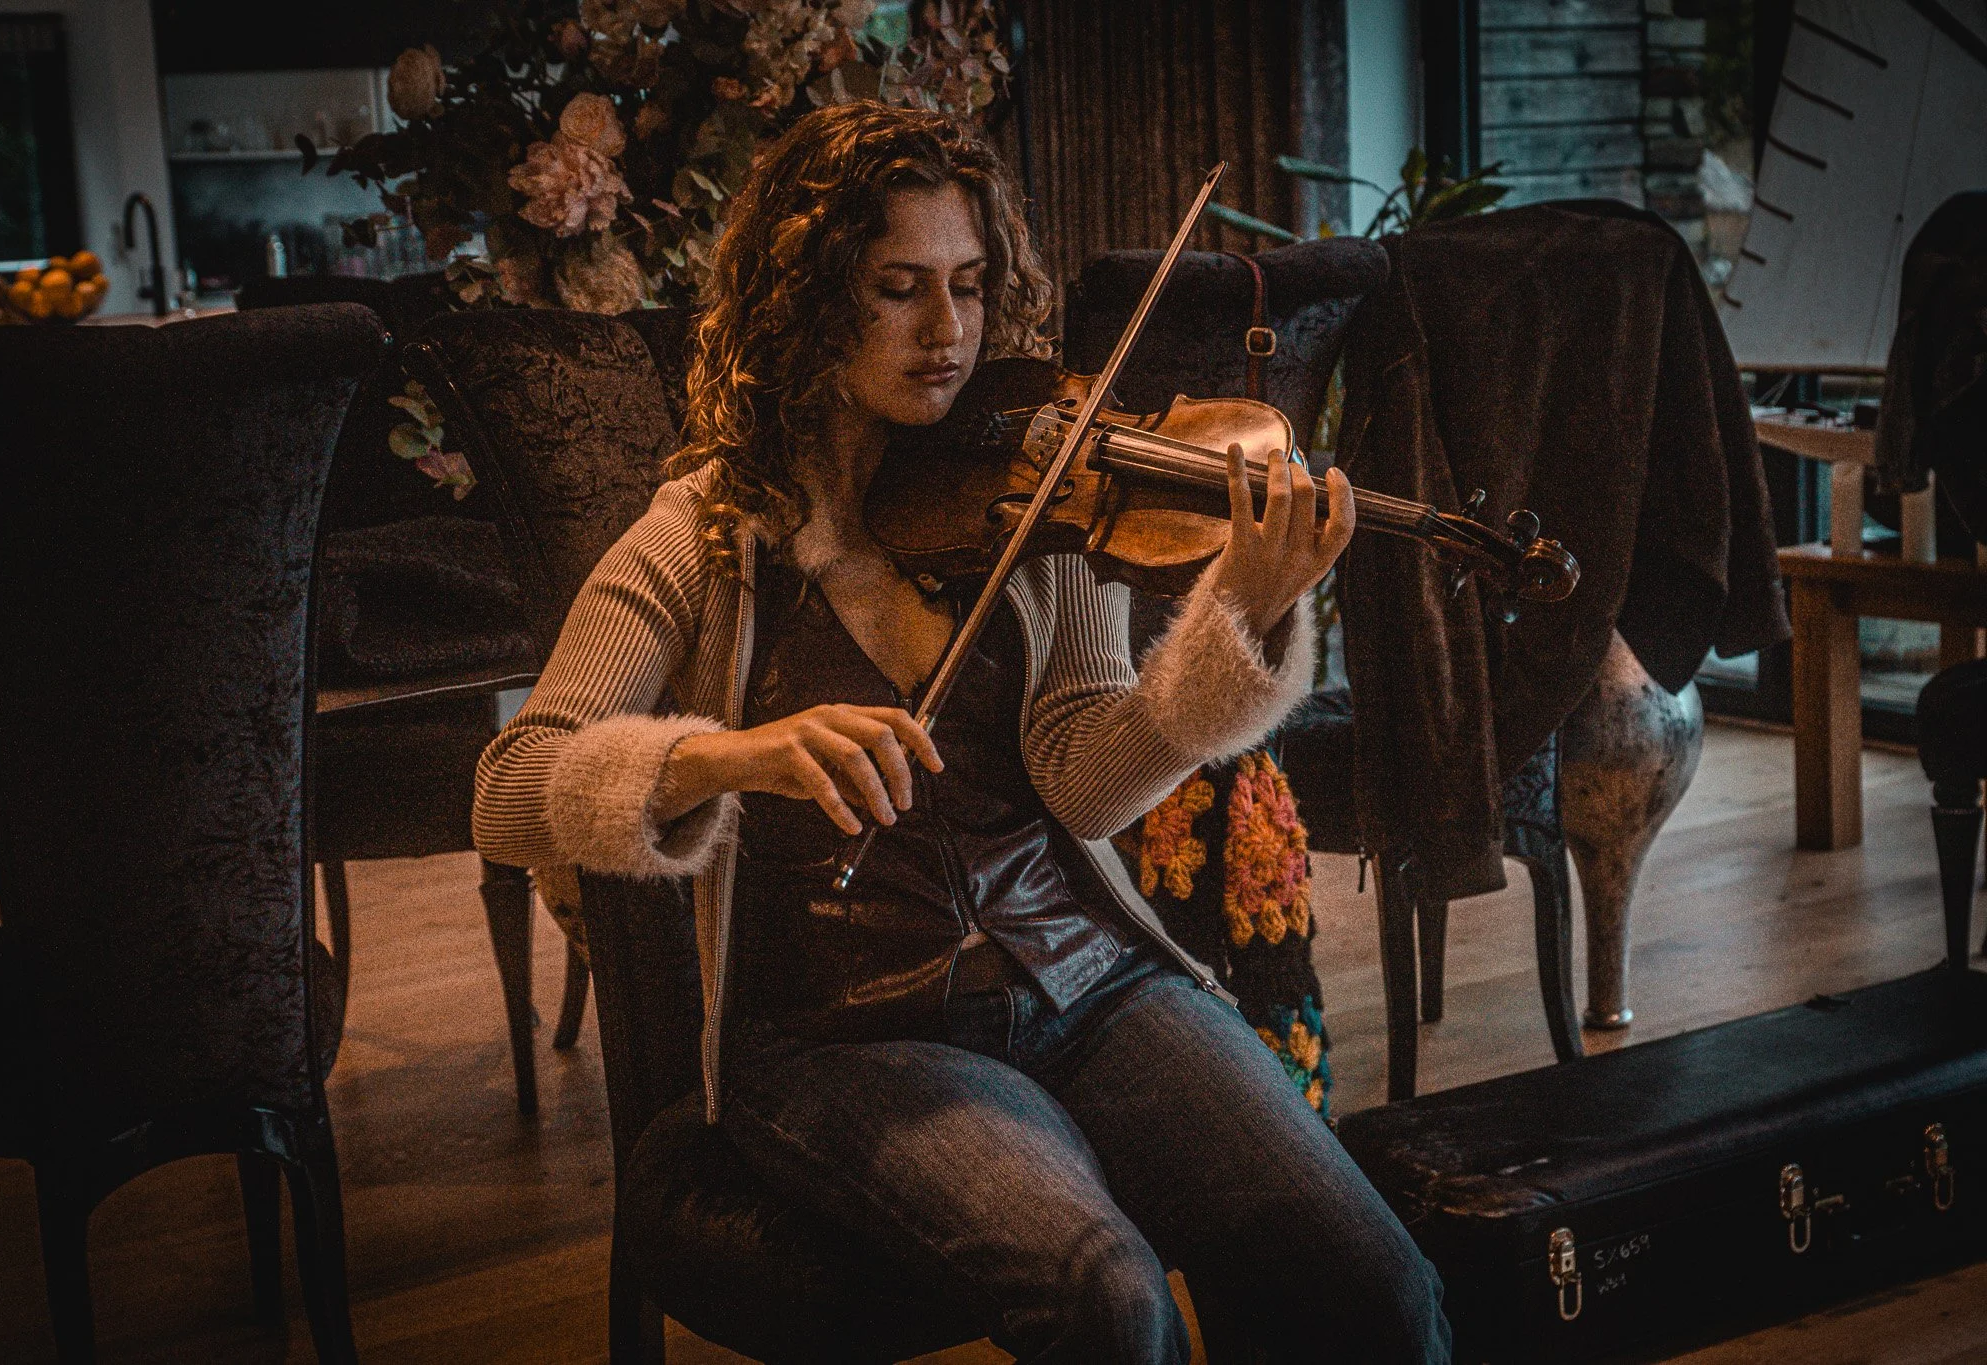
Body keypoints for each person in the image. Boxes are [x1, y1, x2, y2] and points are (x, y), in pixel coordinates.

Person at [474, 100, 1449, 1363]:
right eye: (900, 288)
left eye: (972, 287)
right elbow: (509, 785)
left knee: (1373, 1283)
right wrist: (722, 757)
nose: (949, 332)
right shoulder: (705, 535)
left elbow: (1090, 785)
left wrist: (1242, 621)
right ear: (810, 301)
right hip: (850, 1030)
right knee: (1105, 1298)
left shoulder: (1035, 492)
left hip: (1088, 977)